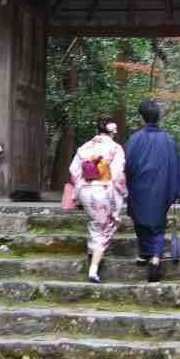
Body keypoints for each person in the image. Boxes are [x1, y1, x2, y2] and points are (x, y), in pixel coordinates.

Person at [123, 99, 180, 282]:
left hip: (139, 188)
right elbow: (177, 165)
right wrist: (177, 189)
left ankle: (145, 252)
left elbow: (126, 165)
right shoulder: (168, 139)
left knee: (139, 220)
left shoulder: (135, 139)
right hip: (161, 188)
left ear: (142, 118)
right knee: (158, 225)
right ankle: (154, 258)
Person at [69, 115, 127, 284]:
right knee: (105, 227)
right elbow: (117, 175)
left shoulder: (85, 147)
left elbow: (74, 170)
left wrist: (79, 190)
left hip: (86, 190)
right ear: (112, 131)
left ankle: (92, 253)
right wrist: (123, 193)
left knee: (96, 223)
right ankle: (93, 269)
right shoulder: (115, 148)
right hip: (102, 190)